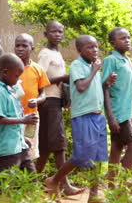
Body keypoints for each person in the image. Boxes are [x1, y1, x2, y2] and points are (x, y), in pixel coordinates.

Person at [46, 35, 117, 202]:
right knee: (81, 155)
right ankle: (54, 180)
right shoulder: (78, 65)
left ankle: (93, 195)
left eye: (96, 47)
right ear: (79, 50)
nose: (95, 50)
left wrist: (106, 82)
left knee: (99, 157)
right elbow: (81, 86)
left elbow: (94, 87)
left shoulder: (93, 67)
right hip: (83, 116)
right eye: (90, 47)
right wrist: (94, 70)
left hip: (97, 116)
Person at [36, 21, 82, 195]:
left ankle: (30, 182)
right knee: (58, 144)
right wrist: (63, 78)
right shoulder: (45, 54)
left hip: (56, 101)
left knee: (49, 146)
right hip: (48, 101)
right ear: (45, 34)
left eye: (60, 32)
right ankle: (64, 185)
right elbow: (40, 79)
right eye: (53, 31)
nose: (57, 34)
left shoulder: (56, 53)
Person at [0, 53, 38, 172]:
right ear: (5, 72)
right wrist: (24, 120)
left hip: (19, 146)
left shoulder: (10, 90)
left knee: (31, 178)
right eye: (16, 76)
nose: (18, 80)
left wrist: (22, 138)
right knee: (3, 184)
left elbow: (14, 116)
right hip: (5, 150)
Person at [103, 28, 132, 177]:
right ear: (113, 43)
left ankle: (112, 188)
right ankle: (123, 184)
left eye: (129, 37)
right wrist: (111, 117)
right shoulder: (110, 60)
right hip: (118, 113)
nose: (127, 40)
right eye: (122, 38)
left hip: (126, 111)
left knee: (117, 148)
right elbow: (104, 87)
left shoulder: (127, 60)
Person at [14, 33, 50, 160]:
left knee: (30, 151)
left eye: (24, 46)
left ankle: (27, 178)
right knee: (13, 150)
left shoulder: (38, 69)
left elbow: (43, 94)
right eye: (17, 46)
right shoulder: (10, 68)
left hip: (31, 117)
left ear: (32, 48)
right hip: (13, 118)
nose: (20, 48)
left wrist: (37, 100)